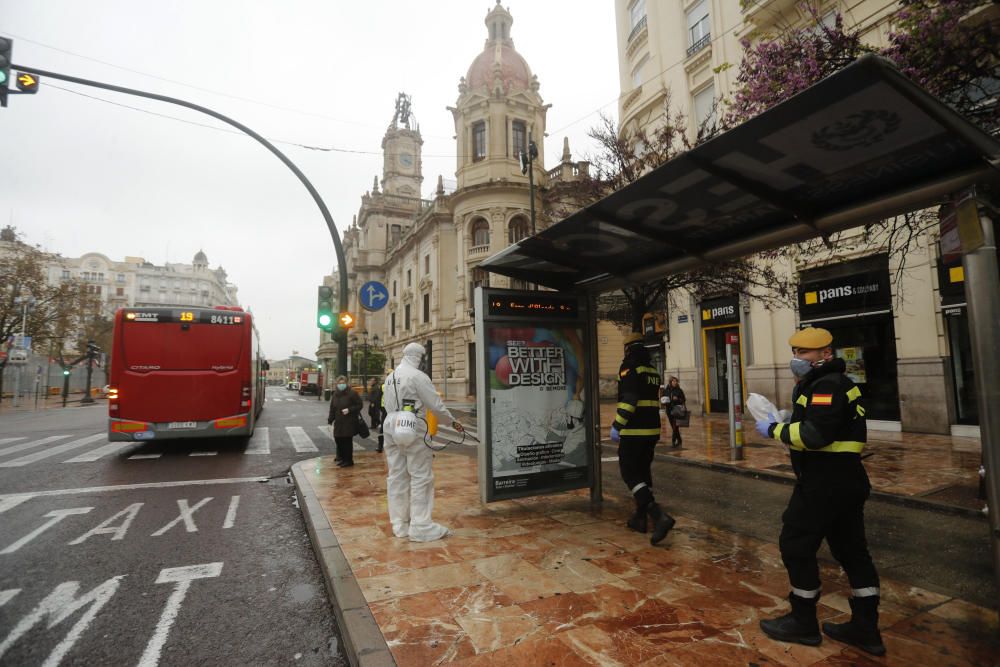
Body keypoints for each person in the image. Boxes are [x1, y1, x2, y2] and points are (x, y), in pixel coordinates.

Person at [754, 327, 884, 656]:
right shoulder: (829, 383)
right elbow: (819, 421)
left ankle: (803, 622)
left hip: (825, 481)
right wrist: (789, 417)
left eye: (804, 353)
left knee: (795, 544)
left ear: (826, 354)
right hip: (846, 480)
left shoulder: (826, 384)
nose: (796, 358)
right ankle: (866, 629)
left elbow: (816, 434)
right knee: (852, 551)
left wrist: (775, 428)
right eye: (795, 351)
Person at [382, 342, 464, 542]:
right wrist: (452, 422)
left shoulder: (390, 376)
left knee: (397, 476)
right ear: (418, 357)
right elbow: (435, 405)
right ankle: (421, 525)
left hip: (391, 423)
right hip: (413, 424)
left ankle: (399, 524)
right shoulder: (418, 377)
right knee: (420, 475)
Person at [611, 332, 675, 545]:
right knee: (643, 473)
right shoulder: (651, 369)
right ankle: (639, 519)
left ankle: (657, 515)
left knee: (629, 472)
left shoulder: (629, 367)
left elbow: (629, 399)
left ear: (628, 348)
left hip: (633, 431)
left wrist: (617, 425)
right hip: (651, 431)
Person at [327, 375, 362, 468]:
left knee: (347, 441)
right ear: (337, 384)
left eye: (343, 383)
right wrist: (330, 419)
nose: (341, 385)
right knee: (338, 439)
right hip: (338, 421)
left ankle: (348, 460)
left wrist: (349, 410)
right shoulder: (335, 394)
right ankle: (342, 458)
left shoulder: (352, 393)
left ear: (346, 383)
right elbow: (332, 408)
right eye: (339, 383)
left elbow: (359, 405)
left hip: (349, 421)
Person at [661, 376, 686, 447]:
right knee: (673, 426)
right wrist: (664, 401)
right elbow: (663, 398)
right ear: (670, 382)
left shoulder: (679, 390)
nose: (675, 382)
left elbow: (683, 399)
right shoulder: (666, 390)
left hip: (677, 410)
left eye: (676, 381)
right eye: (673, 381)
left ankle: (673, 441)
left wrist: (677, 399)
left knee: (675, 426)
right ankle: (680, 440)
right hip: (669, 410)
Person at [368, 379, 384, 453]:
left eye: (372, 380)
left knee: (374, 414)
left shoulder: (377, 387)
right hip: (379, 406)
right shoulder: (378, 387)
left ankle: (377, 423)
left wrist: (374, 402)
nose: (370, 381)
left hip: (378, 405)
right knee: (372, 413)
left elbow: (377, 396)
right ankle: (375, 424)